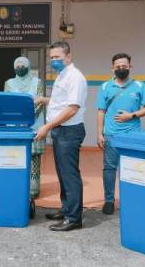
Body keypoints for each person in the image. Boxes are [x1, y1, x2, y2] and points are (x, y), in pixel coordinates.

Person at [35, 41, 87, 232]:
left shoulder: (75, 77)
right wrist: (44, 99)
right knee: (63, 174)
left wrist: (47, 127)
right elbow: (61, 101)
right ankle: (66, 210)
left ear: (69, 56)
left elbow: (72, 108)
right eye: (52, 58)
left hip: (69, 131)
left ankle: (74, 218)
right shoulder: (62, 76)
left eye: (57, 57)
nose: (54, 61)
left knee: (69, 175)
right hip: (61, 131)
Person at [96, 53, 145, 215]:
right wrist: (99, 134)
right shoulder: (105, 87)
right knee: (109, 168)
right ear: (112, 68)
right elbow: (101, 111)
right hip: (111, 135)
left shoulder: (139, 86)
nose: (121, 68)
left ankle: (131, 199)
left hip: (132, 136)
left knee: (132, 169)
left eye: (124, 66)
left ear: (130, 67)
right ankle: (109, 200)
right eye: (118, 66)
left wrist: (132, 115)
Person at [4, 56, 45, 198]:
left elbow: (39, 102)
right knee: (15, 157)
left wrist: (26, 118)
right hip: (14, 126)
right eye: (17, 65)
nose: (20, 67)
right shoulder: (9, 83)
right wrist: (18, 117)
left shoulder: (37, 82)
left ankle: (33, 190)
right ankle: (18, 186)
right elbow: (7, 103)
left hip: (33, 125)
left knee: (33, 159)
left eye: (22, 65)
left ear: (28, 66)